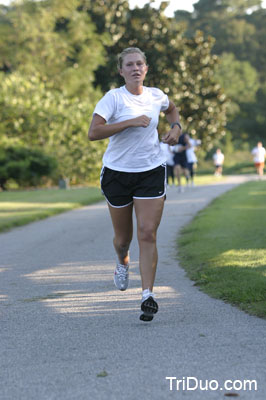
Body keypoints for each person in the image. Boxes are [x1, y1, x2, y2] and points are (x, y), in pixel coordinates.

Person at [88, 47, 181, 322]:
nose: (135, 68)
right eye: (129, 65)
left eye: (140, 64)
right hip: (117, 174)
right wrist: (129, 122)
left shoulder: (156, 95)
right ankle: (122, 260)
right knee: (123, 239)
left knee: (148, 232)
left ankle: (147, 295)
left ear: (146, 68)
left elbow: (172, 109)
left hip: (151, 170)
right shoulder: (113, 98)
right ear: (121, 71)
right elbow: (93, 132)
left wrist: (175, 129)